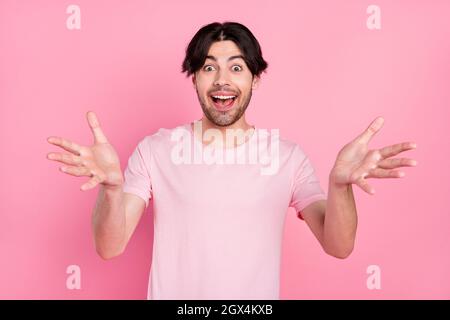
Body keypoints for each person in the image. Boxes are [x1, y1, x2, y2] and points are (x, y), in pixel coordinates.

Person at [46, 21, 418, 300]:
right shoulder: (156, 150)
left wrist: (340, 187)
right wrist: (111, 190)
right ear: (194, 79)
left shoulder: (286, 157)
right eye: (209, 68)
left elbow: (338, 246)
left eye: (237, 67)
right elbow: (109, 247)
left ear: (255, 79)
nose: (222, 80)